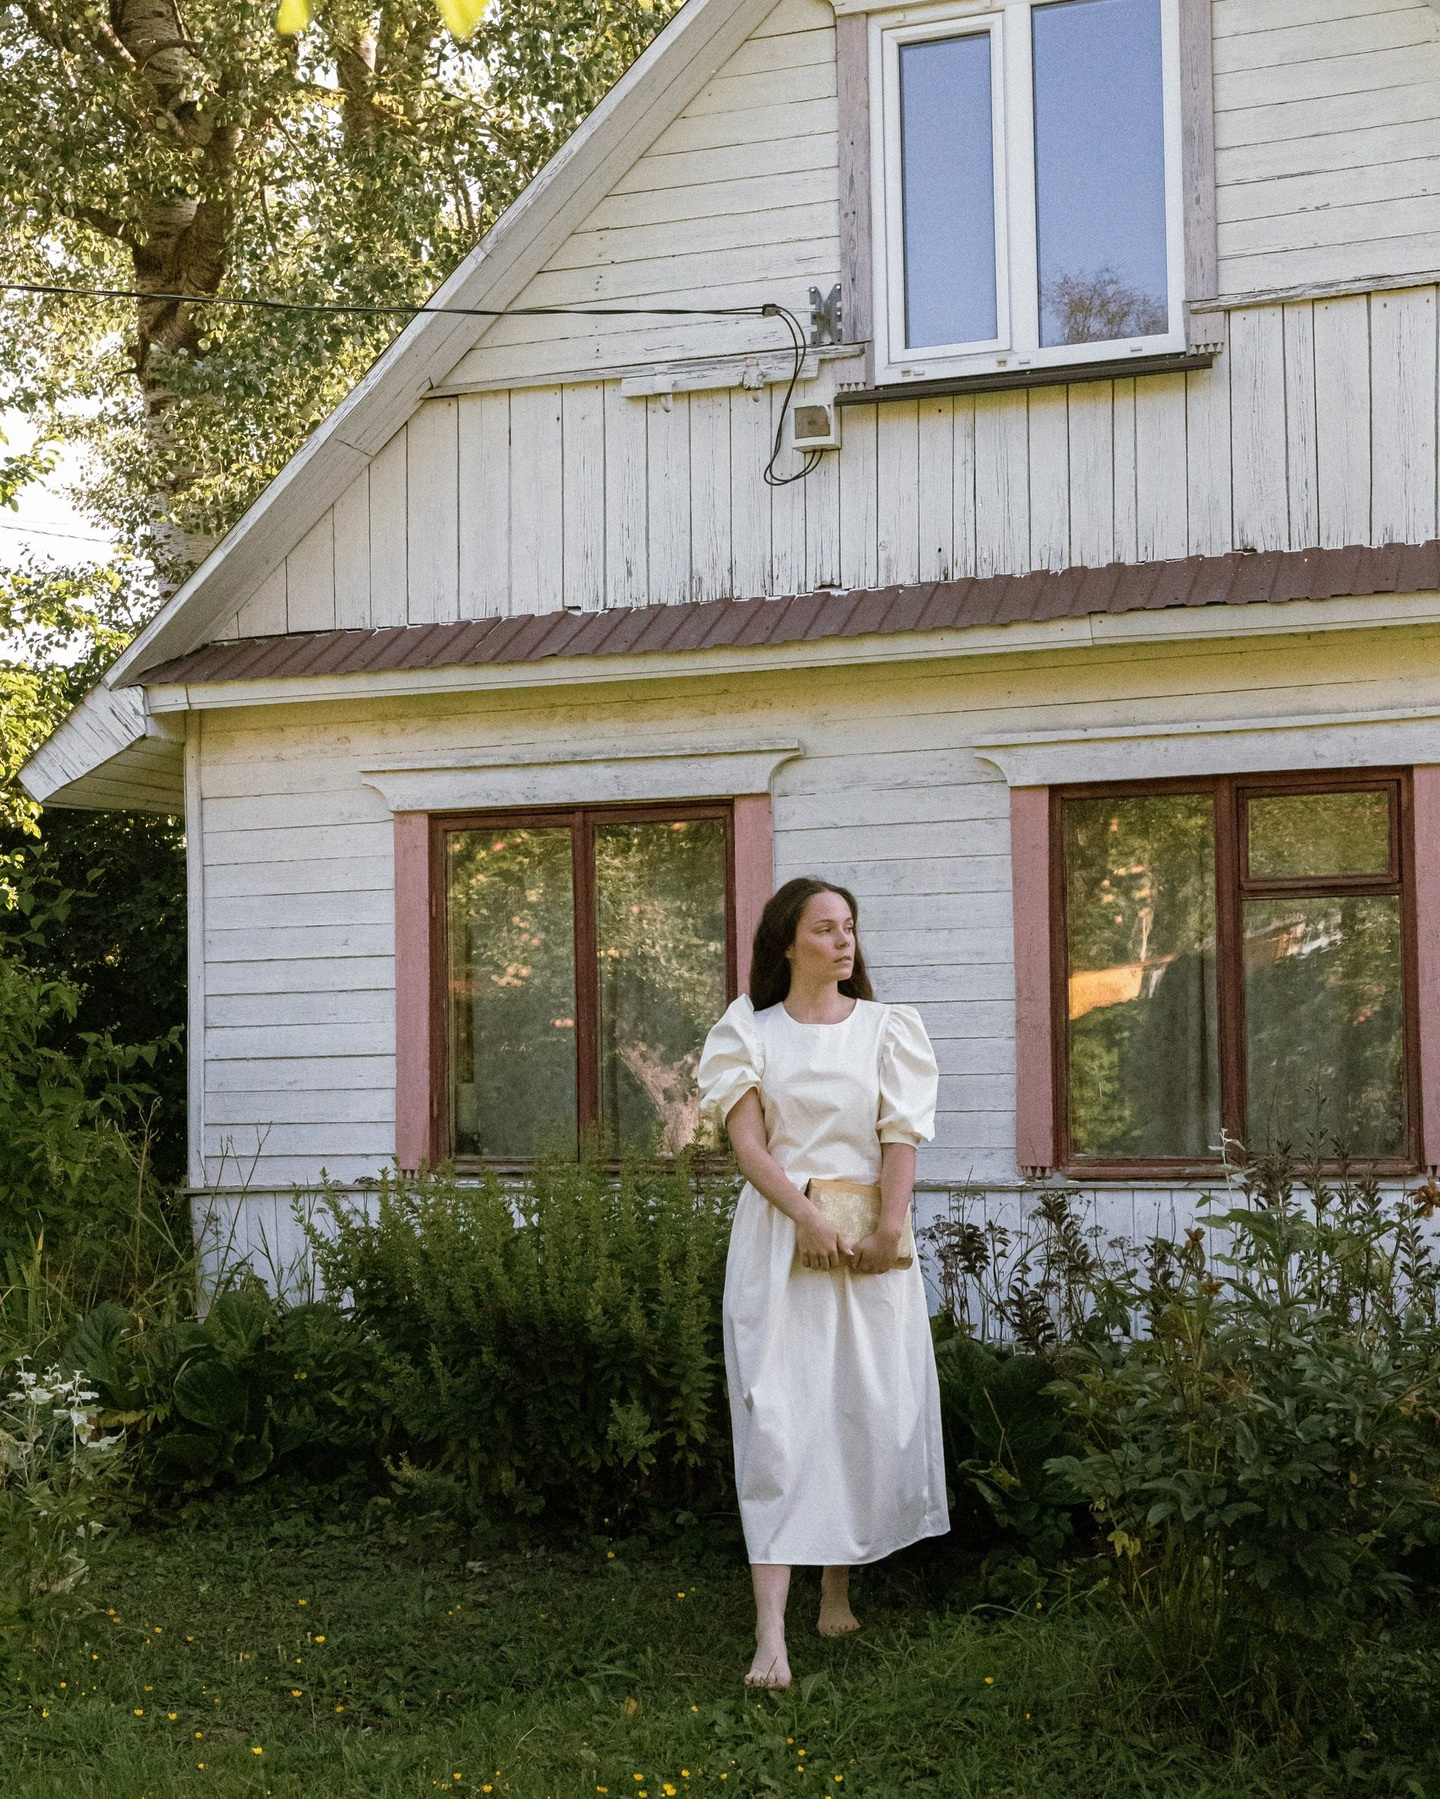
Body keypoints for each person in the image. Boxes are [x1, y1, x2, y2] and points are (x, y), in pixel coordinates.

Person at [696, 876, 949, 1688]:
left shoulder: (886, 1030)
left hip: (871, 1238)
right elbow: (750, 1148)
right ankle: (770, 1630)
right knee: (775, 1413)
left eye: (851, 927)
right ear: (786, 942)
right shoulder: (751, 1033)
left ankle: (835, 1584)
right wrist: (805, 1216)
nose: (845, 942)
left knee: (858, 1406)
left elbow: (900, 1137)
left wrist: (887, 1228)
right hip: (780, 1237)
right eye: (826, 928)